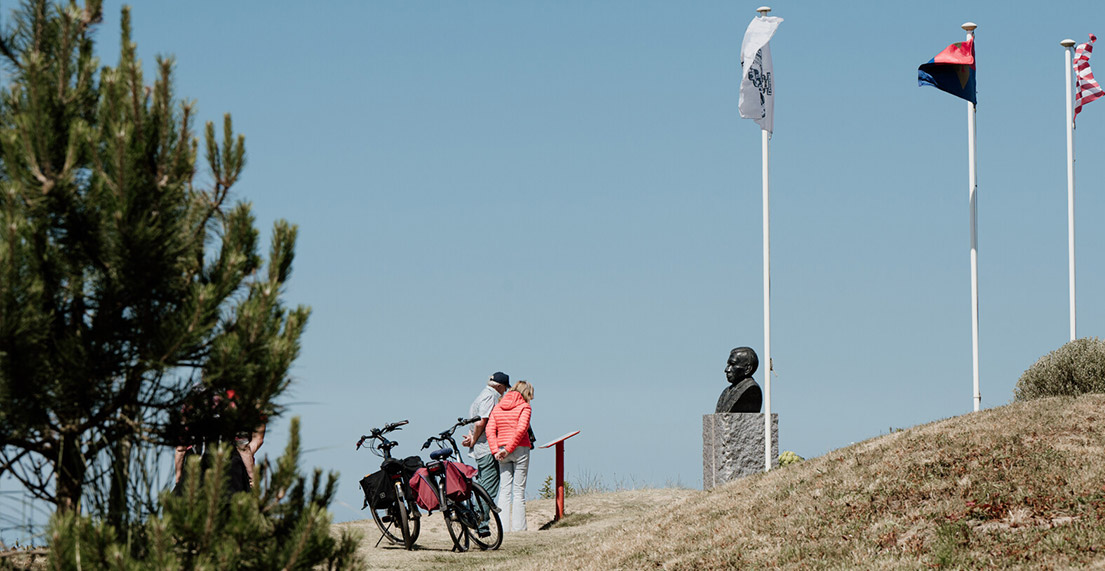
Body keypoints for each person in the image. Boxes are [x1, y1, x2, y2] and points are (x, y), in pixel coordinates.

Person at [461, 371, 510, 535]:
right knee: (487, 488)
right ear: (500, 386)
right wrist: (474, 439)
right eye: (504, 389)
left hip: (481, 449)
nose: (505, 392)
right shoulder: (491, 397)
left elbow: (476, 424)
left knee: (483, 485)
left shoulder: (480, 396)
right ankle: (479, 522)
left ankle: (478, 521)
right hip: (487, 449)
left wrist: (471, 438)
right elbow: (482, 422)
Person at [487, 380, 534, 532]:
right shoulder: (525, 407)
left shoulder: (498, 407)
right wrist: (508, 449)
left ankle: (504, 528)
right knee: (519, 490)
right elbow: (521, 430)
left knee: (505, 489)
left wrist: (496, 451)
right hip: (520, 449)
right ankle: (519, 528)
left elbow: (490, 430)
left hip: (501, 450)